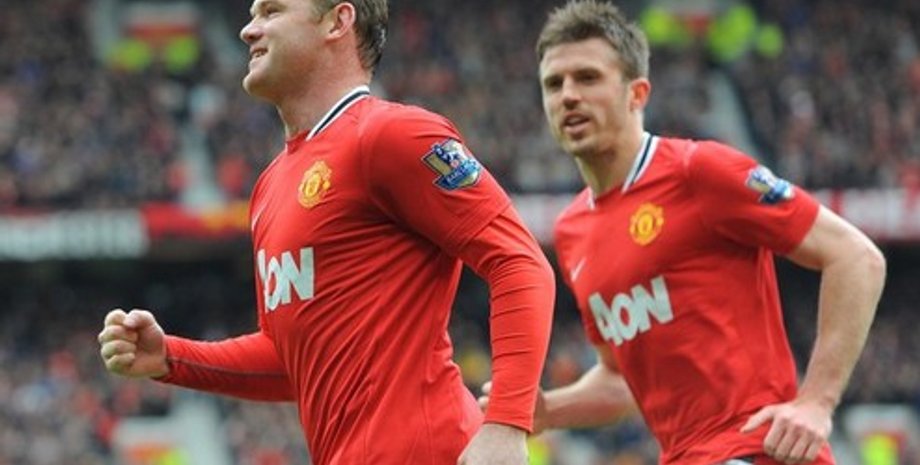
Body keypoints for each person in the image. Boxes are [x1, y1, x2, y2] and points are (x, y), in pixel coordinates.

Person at [97, 1, 555, 464]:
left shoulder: (394, 133)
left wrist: (506, 424)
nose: (248, 30)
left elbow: (518, 260)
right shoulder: (270, 186)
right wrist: (170, 358)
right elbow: (290, 360)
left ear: (338, 21)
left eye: (271, 11)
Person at [481, 1, 886, 464]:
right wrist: (548, 410)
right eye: (554, 84)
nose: (568, 95)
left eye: (588, 78)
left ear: (637, 94)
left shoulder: (699, 171)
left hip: (756, 448)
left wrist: (817, 401)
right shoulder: (573, 231)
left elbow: (856, 256)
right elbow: (621, 380)